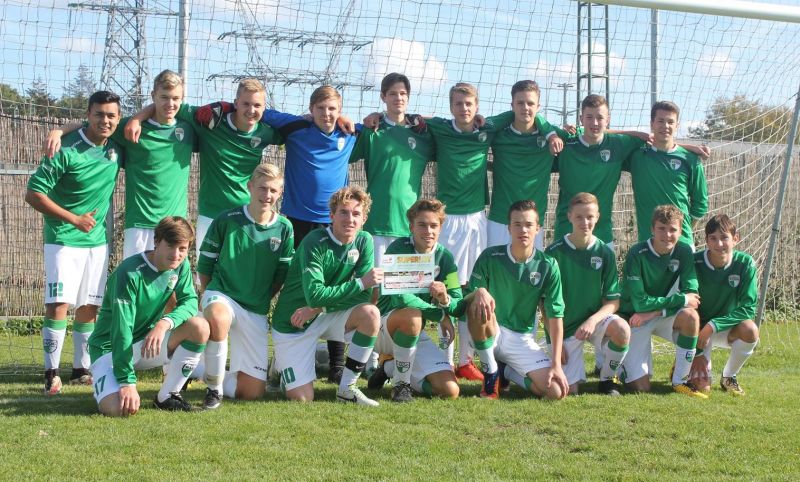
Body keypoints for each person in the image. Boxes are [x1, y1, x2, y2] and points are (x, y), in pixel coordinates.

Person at [196, 85, 359, 382]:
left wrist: (354, 118)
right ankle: (284, 356)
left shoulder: (350, 134)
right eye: (321, 108)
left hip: (333, 220)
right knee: (295, 285)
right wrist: (226, 106)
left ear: (340, 110)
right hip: (298, 219)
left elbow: (380, 125)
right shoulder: (295, 127)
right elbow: (260, 112)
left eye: (333, 109)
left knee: (337, 281)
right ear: (310, 110)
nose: (327, 114)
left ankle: (337, 364)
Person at [25, 90, 123, 394]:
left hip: (97, 242)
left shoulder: (116, 146)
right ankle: (51, 373)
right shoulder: (65, 149)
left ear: (118, 118)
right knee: (58, 304)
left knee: (89, 305)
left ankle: (81, 369)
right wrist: (73, 219)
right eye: (99, 114)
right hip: (64, 239)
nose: (105, 120)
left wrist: (59, 127)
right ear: (88, 115)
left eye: (111, 115)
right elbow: (33, 194)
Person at [44, 70, 197, 259]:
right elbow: (90, 126)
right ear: (153, 96)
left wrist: (138, 116)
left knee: (172, 277)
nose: (170, 103)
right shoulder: (128, 128)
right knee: (135, 276)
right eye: (164, 97)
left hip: (174, 224)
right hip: (139, 224)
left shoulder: (188, 129)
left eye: (175, 98)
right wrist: (59, 132)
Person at [124, 78, 283, 255]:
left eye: (257, 105)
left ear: (264, 107)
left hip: (245, 213)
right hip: (210, 214)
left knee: (239, 268)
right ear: (236, 103)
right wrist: (137, 118)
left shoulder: (266, 133)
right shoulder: (211, 123)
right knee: (206, 269)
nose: (251, 110)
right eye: (246, 104)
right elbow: (169, 105)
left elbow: (292, 133)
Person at [271, 187, 383, 406]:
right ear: (331, 215)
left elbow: (364, 296)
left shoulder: (364, 240)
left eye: (356, 214)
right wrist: (360, 283)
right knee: (302, 398)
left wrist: (319, 309)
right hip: (293, 322)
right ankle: (280, 367)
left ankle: (347, 389)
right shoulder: (315, 241)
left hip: (321, 313)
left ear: (364, 219)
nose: (350, 219)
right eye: (343, 212)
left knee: (370, 313)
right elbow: (315, 295)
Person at [87, 217, 209, 416]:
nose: (176, 255)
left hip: (146, 345)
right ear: (156, 242)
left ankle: (168, 396)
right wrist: (127, 382)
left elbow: (190, 302)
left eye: (182, 249)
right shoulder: (129, 273)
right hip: (110, 349)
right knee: (119, 409)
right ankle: (109, 381)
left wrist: (164, 324)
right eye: (170, 246)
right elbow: (122, 330)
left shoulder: (180, 265)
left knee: (200, 326)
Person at [196, 164, 294, 409]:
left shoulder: (284, 228)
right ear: (250, 187)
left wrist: (262, 297)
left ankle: (200, 370)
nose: (267, 195)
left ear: (280, 193)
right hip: (223, 295)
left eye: (273, 190)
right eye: (262, 188)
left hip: (255, 306)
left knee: (251, 393)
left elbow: (281, 274)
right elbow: (205, 265)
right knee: (218, 317)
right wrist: (210, 295)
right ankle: (214, 389)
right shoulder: (227, 219)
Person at [459, 200, 568, 400]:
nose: (523, 230)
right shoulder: (490, 256)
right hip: (490, 331)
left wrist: (556, 364)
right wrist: (479, 291)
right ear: (509, 228)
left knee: (555, 391)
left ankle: (507, 371)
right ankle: (491, 376)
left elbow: (555, 315)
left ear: (537, 228)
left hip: (521, 339)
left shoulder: (548, 265)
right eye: (517, 224)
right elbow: (465, 300)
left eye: (528, 224)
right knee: (478, 302)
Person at [368, 199, 461, 402]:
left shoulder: (445, 257)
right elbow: (399, 295)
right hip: (383, 327)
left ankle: (390, 368)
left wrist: (445, 298)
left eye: (434, 225)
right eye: (422, 225)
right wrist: (439, 315)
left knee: (450, 390)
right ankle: (401, 386)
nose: (428, 231)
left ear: (440, 228)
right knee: (412, 315)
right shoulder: (397, 248)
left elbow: (457, 301)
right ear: (411, 227)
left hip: (415, 331)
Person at [619, 205, 707, 398]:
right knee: (640, 388)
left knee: (691, 317)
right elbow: (640, 303)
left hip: (657, 314)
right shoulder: (636, 253)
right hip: (635, 318)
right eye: (661, 228)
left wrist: (657, 312)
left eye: (673, 229)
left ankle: (680, 380)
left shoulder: (684, 252)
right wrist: (680, 299)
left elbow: (692, 298)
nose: (667, 235)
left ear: (681, 231)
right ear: (652, 229)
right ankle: (622, 367)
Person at [545, 193, 629, 395]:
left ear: (597, 217)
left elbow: (613, 302)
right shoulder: (553, 253)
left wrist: (592, 320)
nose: (585, 222)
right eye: (579, 217)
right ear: (569, 216)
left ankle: (608, 379)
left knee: (622, 329)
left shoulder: (605, 252)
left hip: (593, 322)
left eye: (590, 217)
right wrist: (555, 343)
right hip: (565, 328)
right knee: (566, 390)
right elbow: (543, 305)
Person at [349, 73, 434, 264]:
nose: (398, 98)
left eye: (403, 93)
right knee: (375, 280)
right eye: (393, 94)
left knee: (407, 279)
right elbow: (344, 151)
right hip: (377, 221)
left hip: (410, 224)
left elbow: (450, 126)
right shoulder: (372, 131)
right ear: (383, 97)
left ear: (408, 97)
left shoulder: (423, 135)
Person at [487, 80, 560, 250]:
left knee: (531, 267)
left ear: (538, 107)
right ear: (512, 105)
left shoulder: (552, 135)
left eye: (530, 103)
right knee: (495, 267)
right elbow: (481, 124)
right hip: (500, 220)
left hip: (532, 223)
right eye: (520, 103)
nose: (525, 108)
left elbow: (584, 135)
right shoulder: (499, 135)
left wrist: (555, 134)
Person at [691, 214, 759, 396]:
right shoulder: (694, 261)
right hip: (698, 329)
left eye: (724, 238)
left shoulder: (745, 263)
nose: (719, 244)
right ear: (706, 240)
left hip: (725, 328)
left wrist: (713, 326)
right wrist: (697, 350)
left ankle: (729, 376)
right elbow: (687, 304)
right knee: (703, 388)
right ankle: (683, 362)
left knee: (750, 330)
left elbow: (748, 308)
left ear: (735, 239)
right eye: (713, 238)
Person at [626, 101, 708, 247]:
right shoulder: (637, 156)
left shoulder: (690, 159)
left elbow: (700, 203)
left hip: (681, 243)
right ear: (652, 124)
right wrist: (638, 134)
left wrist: (681, 229)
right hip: (648, 243)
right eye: (660, 121)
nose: (665, 126)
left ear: (677, 126)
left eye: (670, 122)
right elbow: (598, 134)